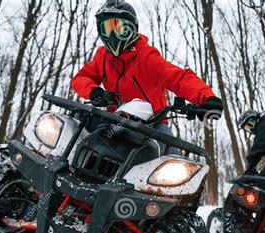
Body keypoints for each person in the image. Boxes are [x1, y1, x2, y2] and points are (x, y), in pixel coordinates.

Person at [71, 0, 223, 154]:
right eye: (107, 28)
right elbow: (81, 77)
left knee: (170, 158)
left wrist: (206, 98)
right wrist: (93, 91)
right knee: (74, 127)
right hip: (114, 119)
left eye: (120, 28)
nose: (113, 34)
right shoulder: (102, 56)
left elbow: (179, 78)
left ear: (132, 28)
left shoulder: (147, 56)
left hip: (152, 124)